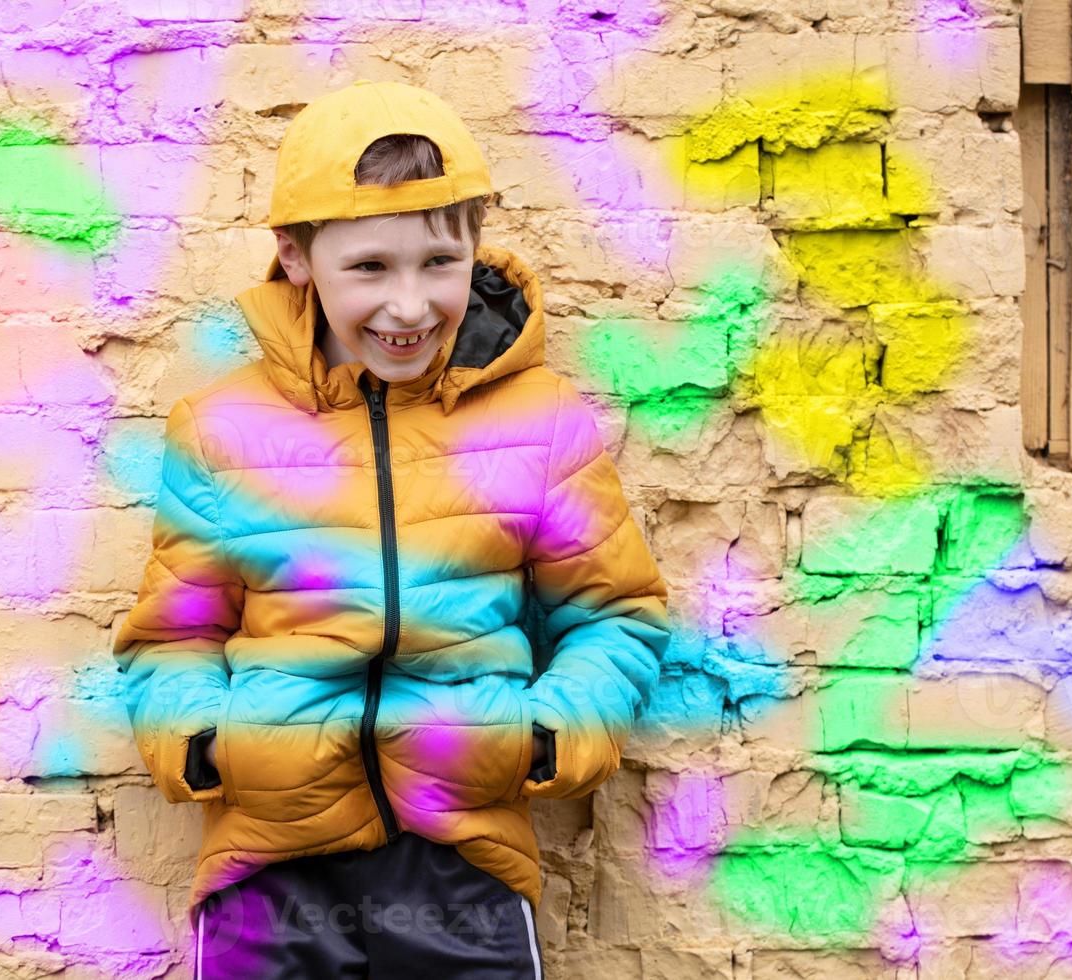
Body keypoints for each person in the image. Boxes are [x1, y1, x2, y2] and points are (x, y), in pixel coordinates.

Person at [111, 78, 672, 978]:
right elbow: (169, 639)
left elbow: (618, 615)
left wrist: (541, 736)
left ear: (475, 248)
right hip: (268, 875)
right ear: (296, 258)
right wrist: (212, 749)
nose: (409, 307)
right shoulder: (219, 429)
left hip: (467, 873)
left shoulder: (544, 420)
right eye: (369, 268)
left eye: (438, 264)